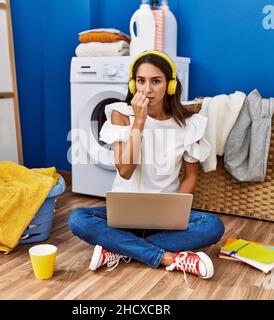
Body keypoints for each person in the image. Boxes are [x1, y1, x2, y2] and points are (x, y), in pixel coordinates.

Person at [68, 51, 225, 282]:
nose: (147, 90)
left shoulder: (188, 124)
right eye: (141, 81)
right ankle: (169, 258)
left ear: (170, 85)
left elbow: (191, 177)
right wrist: (139, 122)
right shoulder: (121, 115)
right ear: (133, 83)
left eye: (156, 81)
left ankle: (118, 248)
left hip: (164, 217)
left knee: (213, 226)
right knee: (78, 218)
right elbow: (125, 170)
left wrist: (175, 211)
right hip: (124, 217)